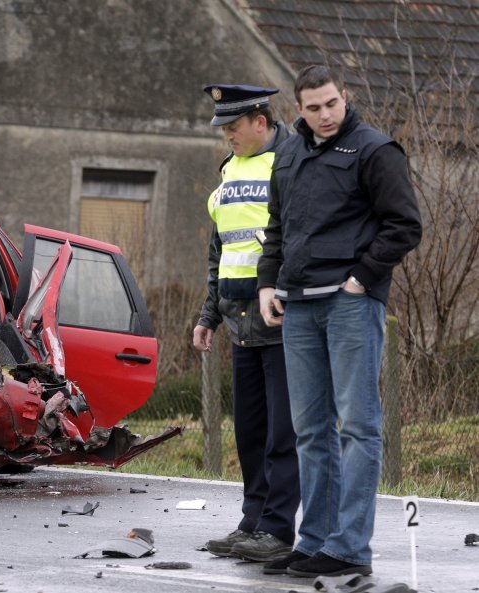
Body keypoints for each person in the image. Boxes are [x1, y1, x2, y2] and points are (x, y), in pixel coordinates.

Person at [257, 65, 422, 578]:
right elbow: (278, 227)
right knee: (310, 430)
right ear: (298, 111)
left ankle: (350, 547)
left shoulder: (375, 151)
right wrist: (267, 282)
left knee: (358, 428)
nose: (325, 115)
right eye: (313, 108)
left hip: (351, 303)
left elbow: (405, 225)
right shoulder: (289, 154)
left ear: (344, 97)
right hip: (299, 304)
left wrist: (361, 278)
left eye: (332, 104)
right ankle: (314, 542)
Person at [194, 84, 300, 563]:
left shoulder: (290, 160)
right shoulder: (228, 170)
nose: (227, 136)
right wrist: (208, 315)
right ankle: (252, 521)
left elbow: (292, 238)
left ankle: (277, 529)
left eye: (233, 127)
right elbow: (221, 251)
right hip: (238, 321)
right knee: (251, 431)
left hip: (279, 317)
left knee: (283, 431)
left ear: (261, 120)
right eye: (223, 129)